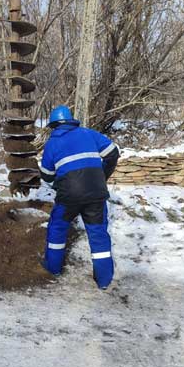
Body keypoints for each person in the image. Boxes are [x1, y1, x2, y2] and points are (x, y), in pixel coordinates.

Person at [39, 105, 119, 289]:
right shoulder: (88, 133)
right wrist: (102, 176)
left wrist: (58, 180)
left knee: (57, 228)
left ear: (54, 125)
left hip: (69, 195)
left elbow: (47, 176)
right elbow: (113, 153)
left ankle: (53, 268)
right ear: (70, 121)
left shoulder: (52, 143)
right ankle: (104, 280)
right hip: (96, 193)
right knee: (98, 233)